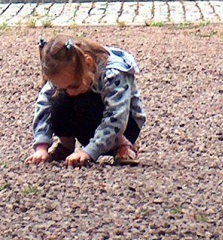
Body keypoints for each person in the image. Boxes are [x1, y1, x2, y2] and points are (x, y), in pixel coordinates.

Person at [24, 34, 146, 167]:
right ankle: (65, 145)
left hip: (124, 125)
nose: (70, 92)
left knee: (86, 103)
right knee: (58, 99)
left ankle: (123, 145)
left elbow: (117, 116)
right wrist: (41, 146)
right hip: (89, 124)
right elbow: (44, 105)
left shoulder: (113, 73)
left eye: (74, 86)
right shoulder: (65, 75)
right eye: (65, 88)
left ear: (88, 63)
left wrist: (89, 152)